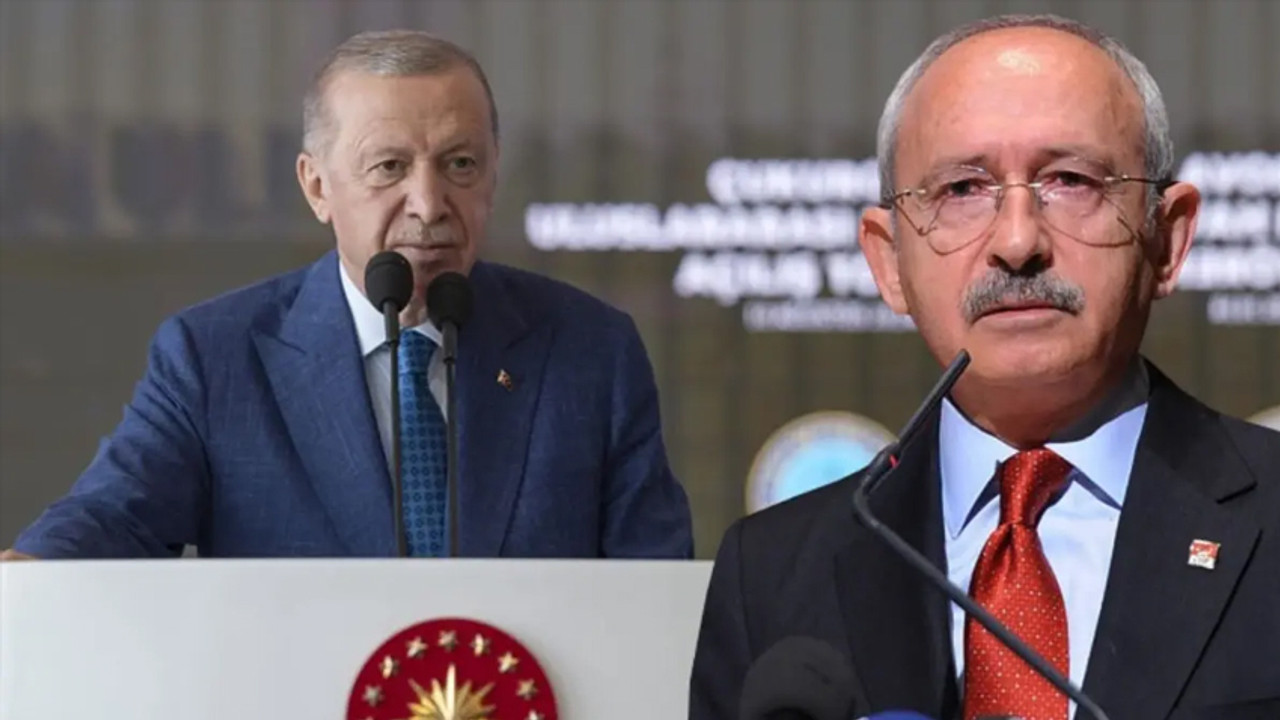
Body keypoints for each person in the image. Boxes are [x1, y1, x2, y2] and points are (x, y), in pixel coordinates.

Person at [690, 14, 1279, 720]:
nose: (1018, 242)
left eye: (1070, 180)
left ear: (1168, 239)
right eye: (962, 190)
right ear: (888, 261)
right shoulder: (772, 572)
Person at [4, 30, 692, 560]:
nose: (429, 203)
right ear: (317, 187)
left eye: (460, 164)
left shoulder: (591, 350)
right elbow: (114, 515)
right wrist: (27, 575)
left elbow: (656, 582)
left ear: (493, 174)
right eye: (389, 167)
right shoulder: (215, 358)